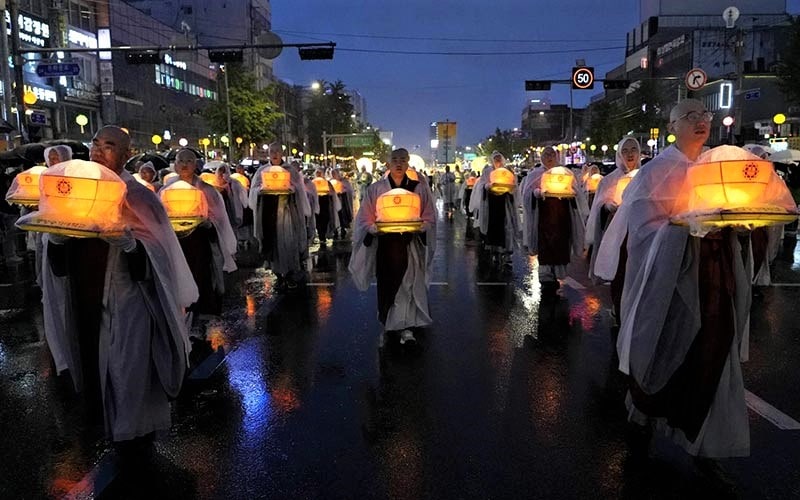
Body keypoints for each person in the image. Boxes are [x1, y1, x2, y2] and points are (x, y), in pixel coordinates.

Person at [595, 99, 792, 459]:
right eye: (690, 116)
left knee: (714, 348)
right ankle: (644, 411)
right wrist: (683, 230)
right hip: (672, 278)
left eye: (705, 115)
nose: (701, 121)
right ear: (672, 126)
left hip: (715, 274)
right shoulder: (655, 172)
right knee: (662, 344)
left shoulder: (717, 166)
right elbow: (642, 231)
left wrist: (739, 223)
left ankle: (707, 440)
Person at [40, 126, 198, 452]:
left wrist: (131, 246)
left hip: (129, 299)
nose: (98, 151)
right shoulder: (79, 190)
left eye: (109, 146)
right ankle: (109, 433)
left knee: (128, 370)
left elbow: (161, 254)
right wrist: (54, 240)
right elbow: (58, 244)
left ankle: (137, 440)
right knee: (92, 366)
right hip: (86, 296)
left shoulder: (138, 195)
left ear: (127, 154)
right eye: (95, 144)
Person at [349, 148, 436, 346]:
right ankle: (390, 323)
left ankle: (406, 327)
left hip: (410, 244)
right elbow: (365, 216)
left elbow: (429, 215)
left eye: (402, 160)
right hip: (386, 246)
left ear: (407, 164)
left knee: (409, 282)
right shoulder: (376, 189)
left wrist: (421, 226)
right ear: (388, 163)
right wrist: (372, 228)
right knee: (389, 283)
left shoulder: (418, 188)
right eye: (394, 160)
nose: (398, 164)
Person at [170, 149, 237, 319]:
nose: (184, 164)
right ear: (175, 165)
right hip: (174, 244)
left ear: (195, 165)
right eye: (181, 161)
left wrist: (207, 223)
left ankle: (199, 318)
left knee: (200, 277)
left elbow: (219, 218)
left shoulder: (207, 190)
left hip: (199, 241)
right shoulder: (167, 189)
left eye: (189, 161)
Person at [584, 137, 640, 319]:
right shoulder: (609, 180)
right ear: (619, 154)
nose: (630, 154)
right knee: (621, 271)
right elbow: (599, 207)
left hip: (640, 232)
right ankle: (618, 307)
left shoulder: (645, 176)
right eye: (625, 150)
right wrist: (607, 207)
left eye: (633, 149)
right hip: (618, 234)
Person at [520, 146, 587, 290]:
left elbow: (577, 194)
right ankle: (545, 274)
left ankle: (558, 272)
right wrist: (535, 194)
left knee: (561, 242)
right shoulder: (535, 174)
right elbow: (526, 196)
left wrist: (571, 192)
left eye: (552, 154)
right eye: (546, 154)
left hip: (562, 217)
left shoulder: (565, 174)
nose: (549, 157)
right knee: (545, 242)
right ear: (541, 157)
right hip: (543, 217)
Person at [249, 143, 311, 290]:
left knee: (288, 241)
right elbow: (253, 190)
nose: (275, 154)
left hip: (287, 212)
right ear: (268, 154)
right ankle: (278, 273)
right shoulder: (262, 171)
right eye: (272, 151)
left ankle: (289, 274)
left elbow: (299, 191)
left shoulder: (290, 171)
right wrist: (261, 189)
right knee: (273, 243)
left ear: (282, 153)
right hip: (268, 213)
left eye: (277, 151)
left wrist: (291, 188)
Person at [469, 151, 520, 267]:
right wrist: (488, 186)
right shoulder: (488, 171)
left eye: (499, 159)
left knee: (506, 226)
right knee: (493, 227)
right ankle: (495, 252)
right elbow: (482, 184)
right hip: (492, 203)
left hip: (504, 202)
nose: (498, 161)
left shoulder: (507, 171)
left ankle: (507, 253)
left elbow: (514, 184)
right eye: (496, 159)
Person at [313, 168, 340, 247]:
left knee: (325, 219)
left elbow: (332, 192)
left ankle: (323, 234)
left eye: (319, 172)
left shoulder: (327, 183)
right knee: (318, 219)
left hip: (325, 201)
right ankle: (321, 234)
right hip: (316, 201)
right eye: (317, 172)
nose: (318, 174)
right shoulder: (313, 182)